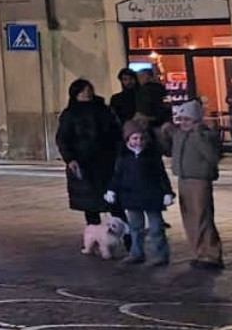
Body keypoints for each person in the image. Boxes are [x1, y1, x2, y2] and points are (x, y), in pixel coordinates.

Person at [163, 98, 225, 270]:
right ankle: (199, 252)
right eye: (181, 120)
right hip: (183, 179)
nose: (183, 123)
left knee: (202, 217)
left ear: (196, 120)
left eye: (187, 120)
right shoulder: (180, 135)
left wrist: (198, 135)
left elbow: (212, 157)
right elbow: (168, 150)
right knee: (189, 218)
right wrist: (165, 134)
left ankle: (212, 254)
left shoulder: (206, 135)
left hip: (199, 180)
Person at [55, 79, 121, 230]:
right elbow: (63, 138)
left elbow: (116, 131)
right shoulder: (70, 114)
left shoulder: (103, 109)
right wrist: (70, 158)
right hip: (84, 162)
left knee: (114, 199)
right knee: (90, 203)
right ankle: (95, 235)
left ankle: (126, 236)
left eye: (89, 89)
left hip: (107, 160)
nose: (87, 92)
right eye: (83, 90)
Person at [108, 120, 174, 266]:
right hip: (131, 196)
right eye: (135, 138)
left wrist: (167, 192)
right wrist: (112, 190)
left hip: (152, 196)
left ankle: (160, 254)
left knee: (156, 227)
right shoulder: (124, 156)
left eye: (142, 138)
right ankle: (136, 253)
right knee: (135, 228)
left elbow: (161, 175)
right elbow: (117, 175)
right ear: (128, 139)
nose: (139, 142)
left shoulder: (152, 155)